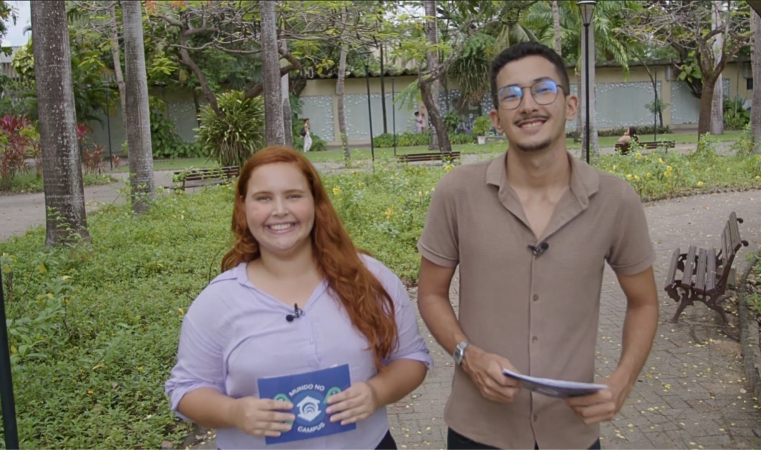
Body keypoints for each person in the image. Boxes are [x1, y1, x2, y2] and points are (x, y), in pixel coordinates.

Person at [416, 42, 659, 450]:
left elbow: (644, 302)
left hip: (572, 432)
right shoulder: (456, 193)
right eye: (511, 95)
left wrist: (622, 380)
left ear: (571, 104)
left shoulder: (616, 201)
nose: (527, 104)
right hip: (478, 430)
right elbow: (430, 293)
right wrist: (467, 356)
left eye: (543, 89)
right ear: (496, 118)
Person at [165, 146, 432, 449]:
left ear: (316, 202)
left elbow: (412, 358)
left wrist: (376, 393)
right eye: (263, 198)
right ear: (243, 207)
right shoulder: (217, 302)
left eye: (293, 195)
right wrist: (234, 412)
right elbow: (186, 389)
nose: (279, 210)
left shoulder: (371, 278)